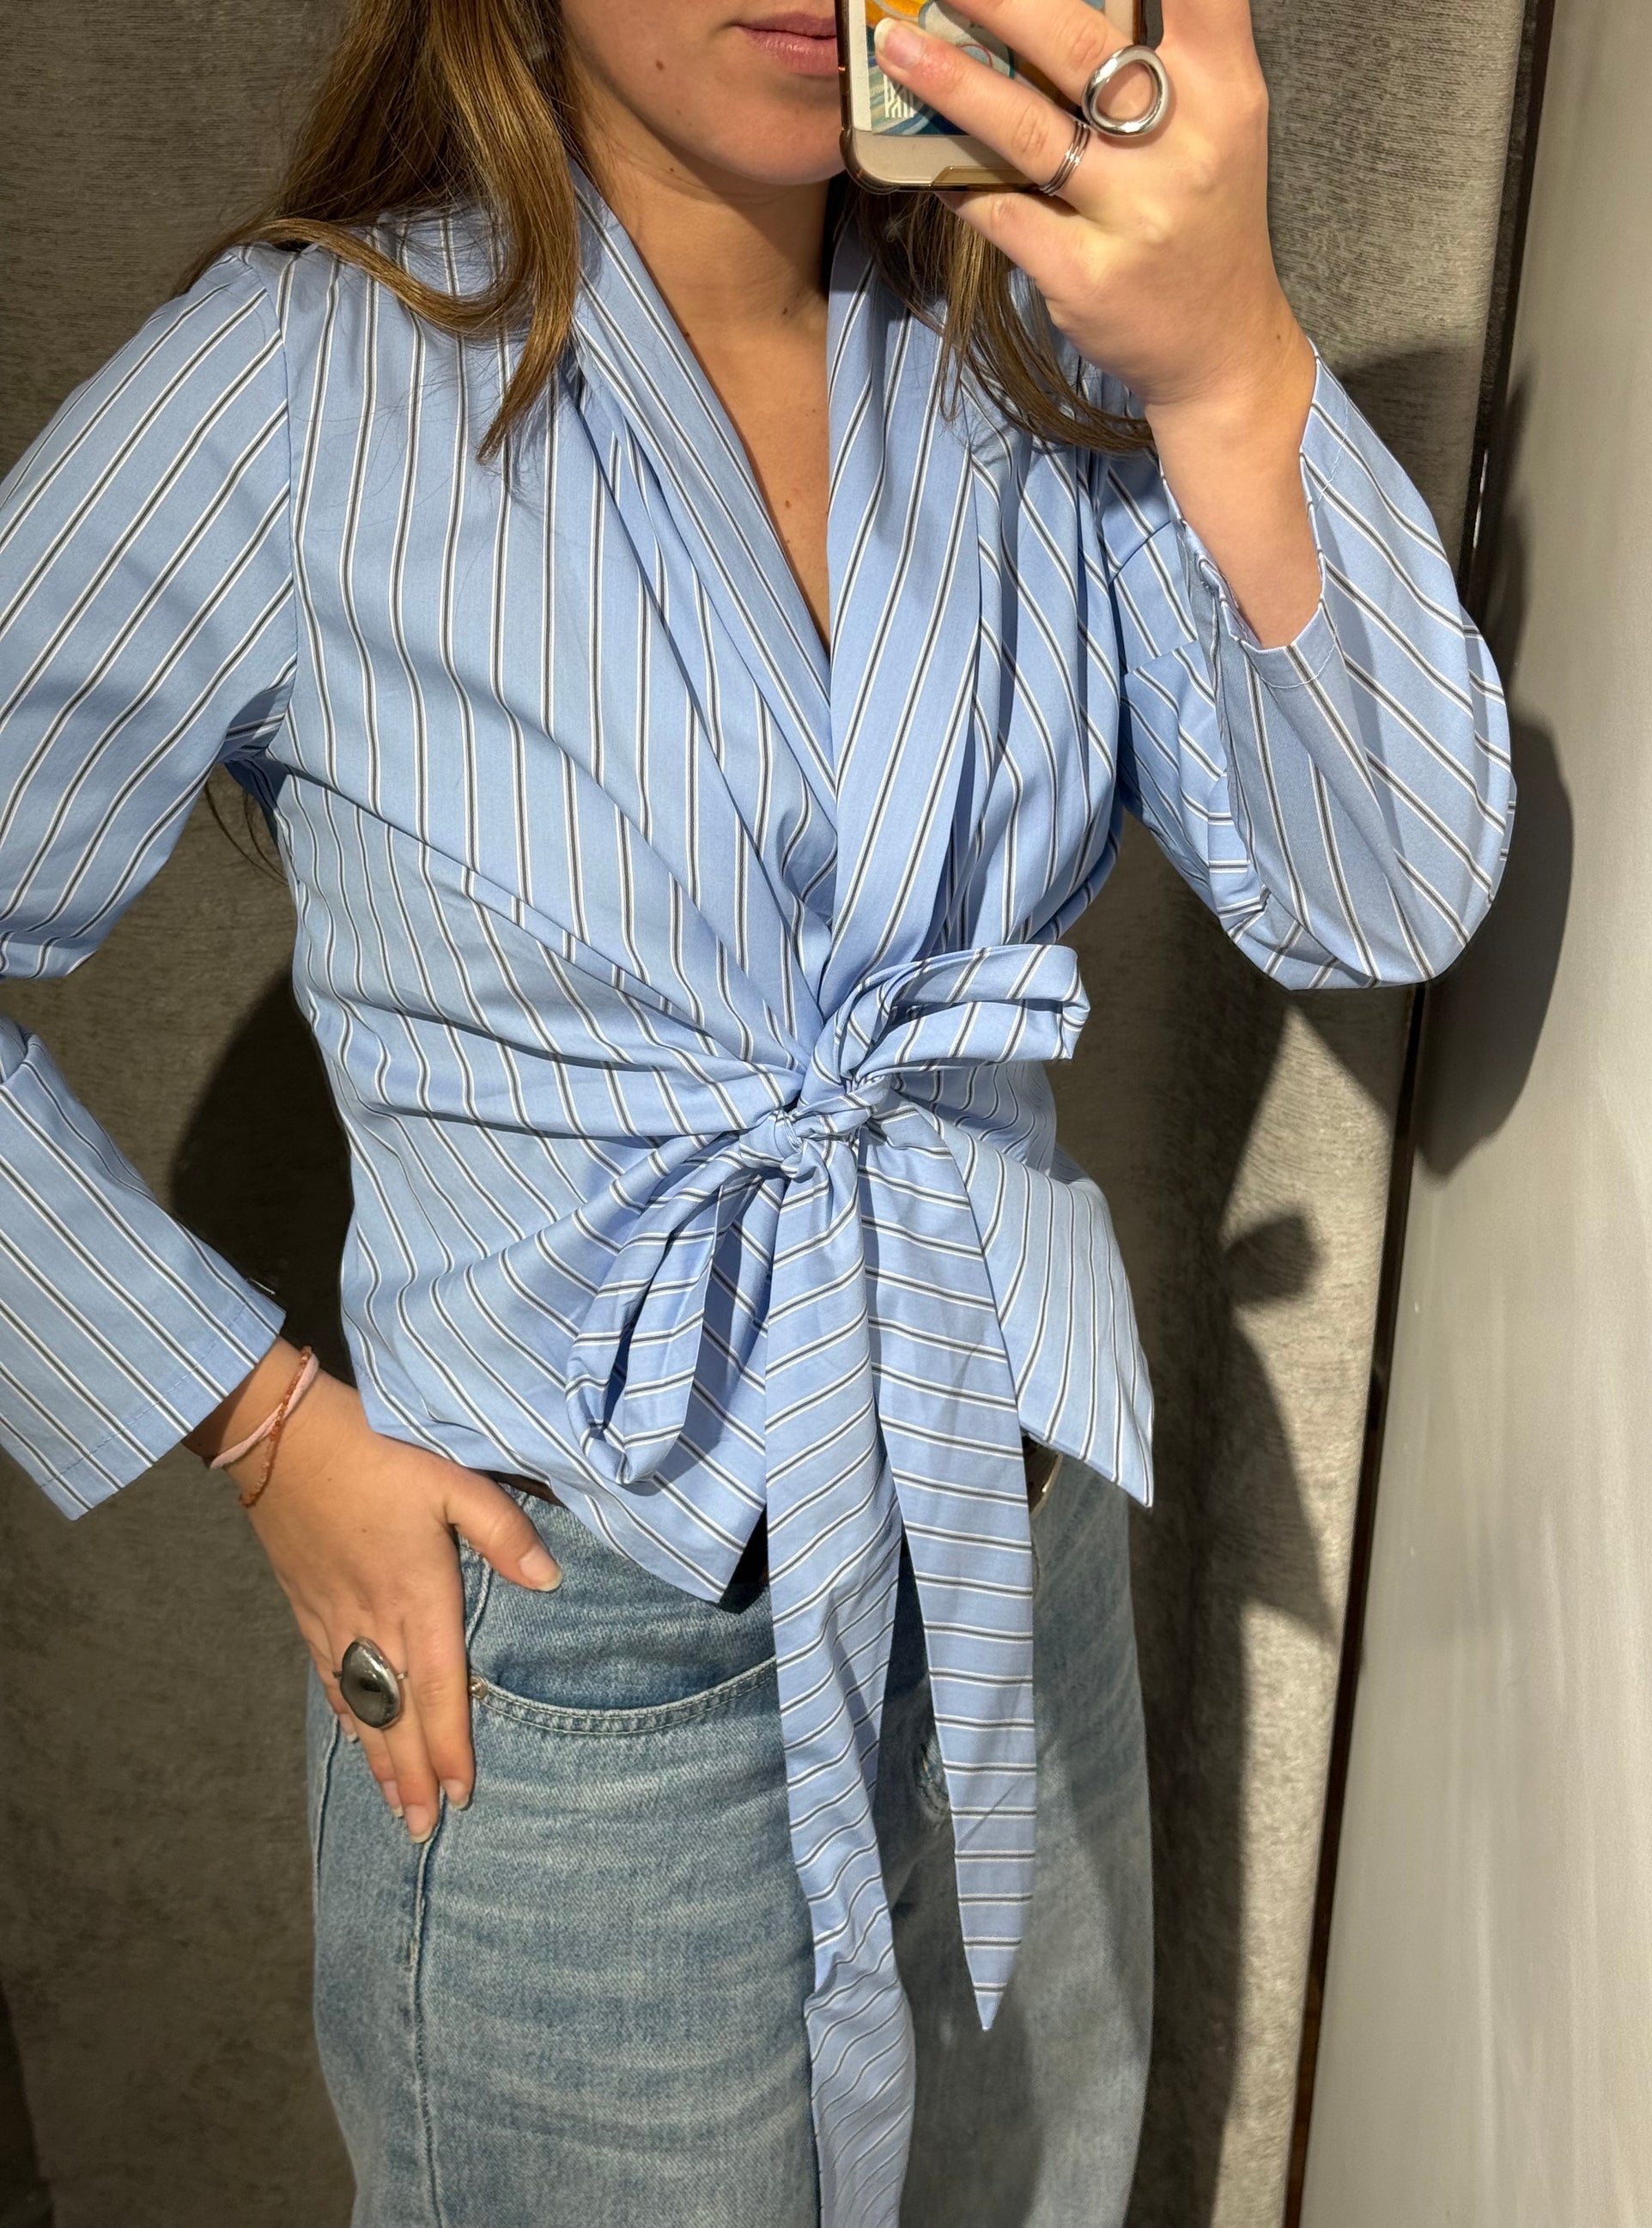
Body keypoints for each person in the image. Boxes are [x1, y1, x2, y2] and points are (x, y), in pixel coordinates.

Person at [0, 1, 1513, 2223]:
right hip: (585, 1652)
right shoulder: (297, 387)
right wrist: (254, 1424)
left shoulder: (1043, 345)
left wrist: (1228, 360)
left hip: (1005, 1559)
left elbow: (1385, 887)